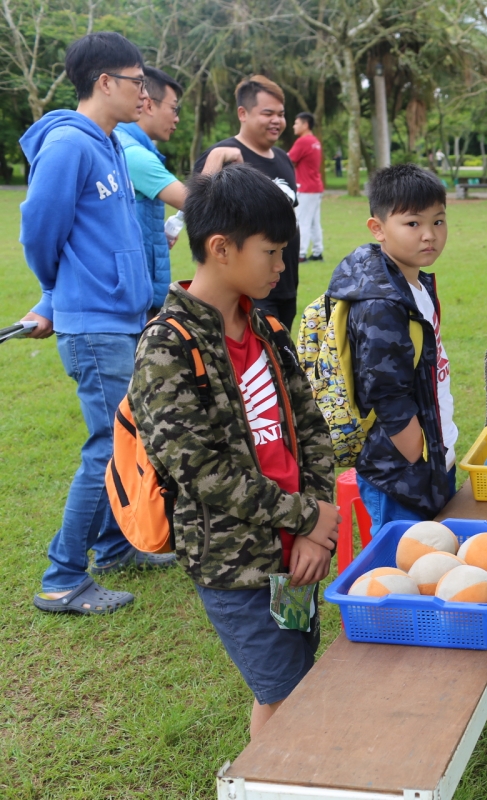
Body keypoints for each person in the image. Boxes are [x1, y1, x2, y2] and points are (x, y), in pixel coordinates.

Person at [126, 164, 339, 738]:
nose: (282, 266)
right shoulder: (168, 346)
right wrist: (308, 516)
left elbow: (311, 428)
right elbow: (202, 472)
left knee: (293, 682)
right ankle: (273, 775)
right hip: (238, 567)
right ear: (221, 248)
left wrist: (316, 525)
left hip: (298, 551)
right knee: (286, 695)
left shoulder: (266, 328)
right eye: (271, 252)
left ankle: (276, 772)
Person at [22, 32, 176, 616]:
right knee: (108, 449)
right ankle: (62, 577)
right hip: (94, 324)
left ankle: (115, 548)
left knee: (128, 440)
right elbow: (40, 231)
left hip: (122, 318)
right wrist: (55, 295)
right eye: (137, 82)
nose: (145, 94)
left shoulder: (110, 142)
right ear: (104, 82)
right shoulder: (68, 144)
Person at [327, 164, 457, 535]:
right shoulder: (381, 303)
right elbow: (385, 392)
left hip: (432, 456)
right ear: (378, 228)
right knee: (402, 560)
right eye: (413, 223)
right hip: (401, 473)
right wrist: (416, 454)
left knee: (434, 553)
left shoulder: (414, 283)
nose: (429, 235)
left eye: (438, 221)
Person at [115, 66, 242, 314]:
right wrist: (216, 156)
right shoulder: (134, 155)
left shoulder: (124, 145)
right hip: (134, 299)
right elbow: (198, 204)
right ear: (149, 105)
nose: (177, 119)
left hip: (136, 290)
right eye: (174, 109)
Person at [194, 75, 300, 330]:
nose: (277, 120)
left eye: (281, 114)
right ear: (242, 113)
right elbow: (198, 214)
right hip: (245, 292)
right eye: (267, 113)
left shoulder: (283, 158)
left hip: (284, 283)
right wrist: (215, 159)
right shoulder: (222, 156)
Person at [288, 111, 324, 263]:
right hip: (315, 187)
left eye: (296, 123)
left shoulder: (303, 141)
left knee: (302, 221)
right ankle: (317, 252)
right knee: (314, 222)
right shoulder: (315, 141)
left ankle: (300, 254)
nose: (293, 126)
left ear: (305, 125)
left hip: (306, 188)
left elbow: (288, 160)